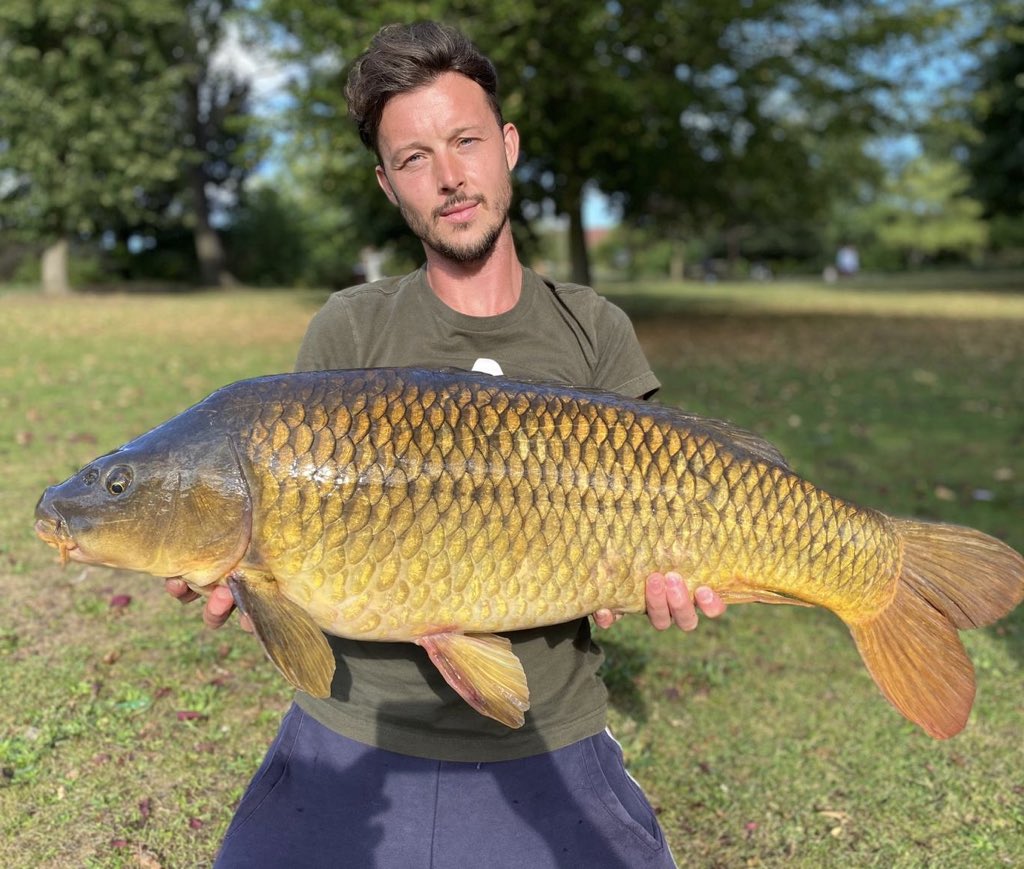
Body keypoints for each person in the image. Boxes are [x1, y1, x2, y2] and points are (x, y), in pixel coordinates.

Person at [166, 21, 725, 867]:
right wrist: (246, 580)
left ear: (507, 147)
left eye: (465, 141)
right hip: (352, 733)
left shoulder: (593, 329)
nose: (450, 177)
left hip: (546, 735)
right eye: (415, 158)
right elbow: (283, 578)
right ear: (390, 186)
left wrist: (657, 578)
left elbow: (654, 509)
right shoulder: (349, 327)